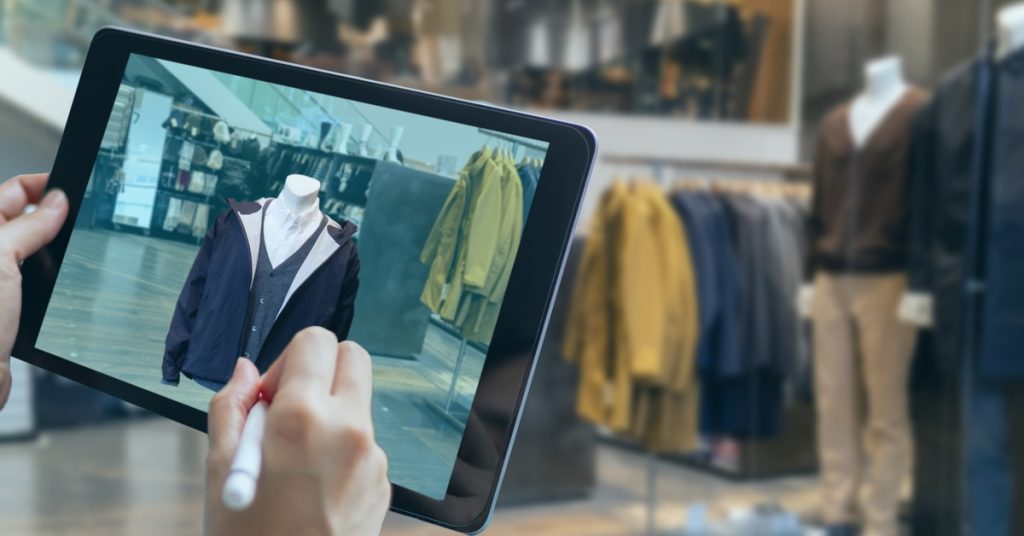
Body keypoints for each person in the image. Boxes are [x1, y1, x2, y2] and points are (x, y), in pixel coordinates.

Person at [0, 173, 390, 535]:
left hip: (277, 387)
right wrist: (174, 358)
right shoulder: (235, 222)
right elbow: (195, 289)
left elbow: (334, 331)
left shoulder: (340, 251)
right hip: (214, 363)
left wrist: (320, 390)